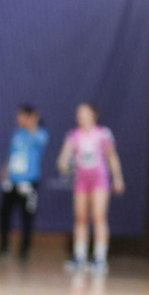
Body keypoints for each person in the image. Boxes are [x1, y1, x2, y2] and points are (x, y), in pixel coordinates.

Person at [56, 102, 124, 275]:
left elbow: (112, 156)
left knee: (99, 217)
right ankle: (80, 256)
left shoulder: (103, 134)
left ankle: (100, 258)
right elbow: (64, 157)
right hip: (81, 181)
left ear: (94, 115)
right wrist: (64, 164)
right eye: (79, 113)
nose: (81, 116)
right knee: (80, 218)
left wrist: (117, 177)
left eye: (85, 113)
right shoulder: (74, 135)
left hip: (99, 181)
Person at [0, 104, 49, 261]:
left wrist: (33, 122)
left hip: (28, 183)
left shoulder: (40, 133)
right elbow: (12, 153)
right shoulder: (17, 133)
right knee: (4, 213)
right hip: (12, 182)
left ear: (30, 116)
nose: (18, 119)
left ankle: (24, 251)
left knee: (27, 216)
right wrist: (5, 167)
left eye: (21, 116)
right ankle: (4, 247)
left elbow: (39, 141)